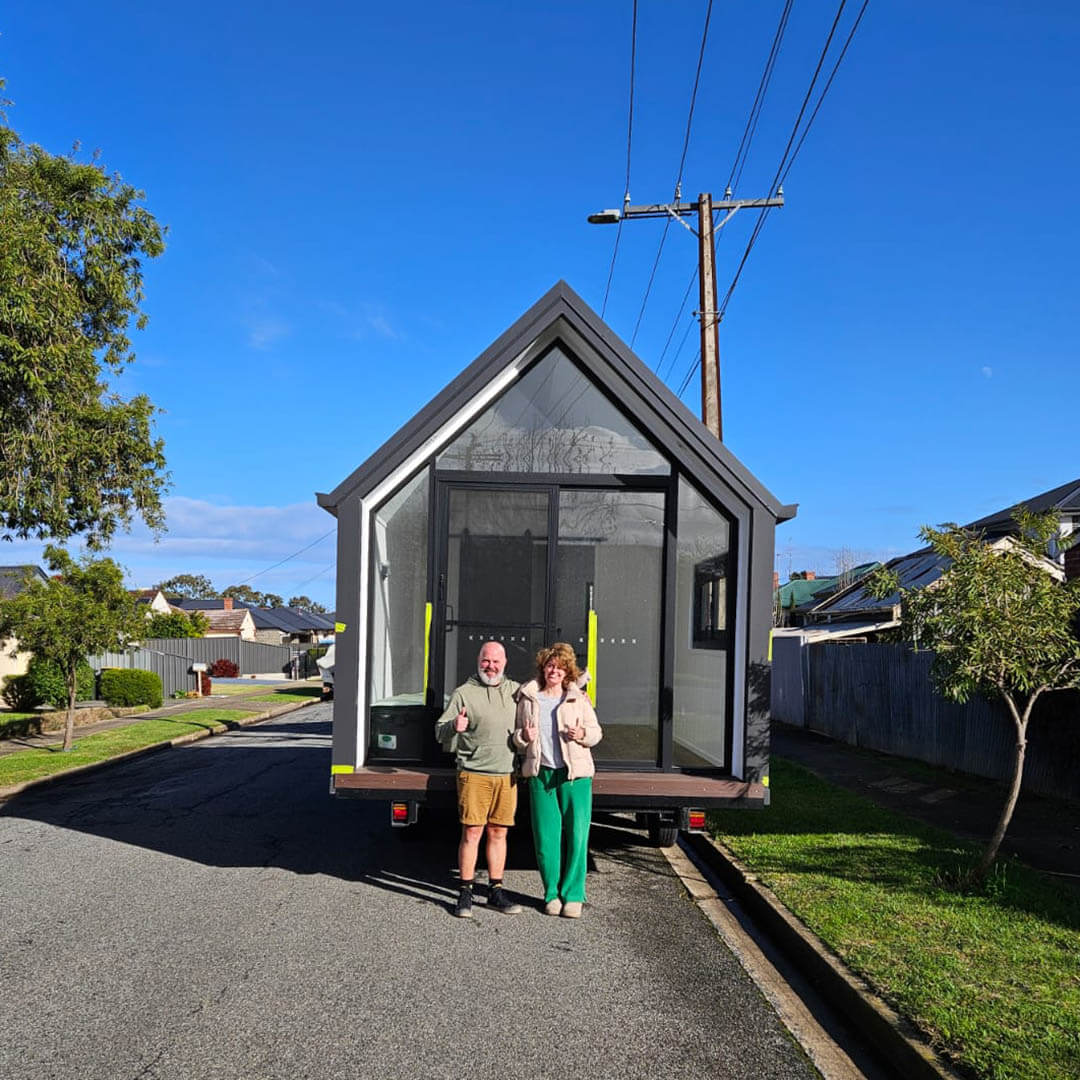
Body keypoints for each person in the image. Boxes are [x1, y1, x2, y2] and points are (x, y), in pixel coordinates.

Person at [434, 640, 523, 918]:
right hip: (473, 774)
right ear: (478, 661)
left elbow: (547, 700)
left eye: (496, 661)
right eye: (486, 660)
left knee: (499, 833)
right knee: (472, 833)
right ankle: (465, 892)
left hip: (507, 775)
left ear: (505, 663)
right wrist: (453, 726)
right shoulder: (464, 693)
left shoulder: (517, 692)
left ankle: (495, 891)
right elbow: (440, 731)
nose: (491, 666)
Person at [513, 642, 602, 918]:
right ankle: (551, 893)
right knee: (546, 838)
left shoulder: (577, 698)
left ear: (567, 673)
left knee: (577, 834)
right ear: (543, 668)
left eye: (560, 668)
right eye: (551, 666)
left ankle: (574, 895)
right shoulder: (528, 697)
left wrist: (581, 735)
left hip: (575, 775)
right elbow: (515, 737)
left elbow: (596, 733)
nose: (555, 671)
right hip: (542, 774)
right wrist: (523, 738)